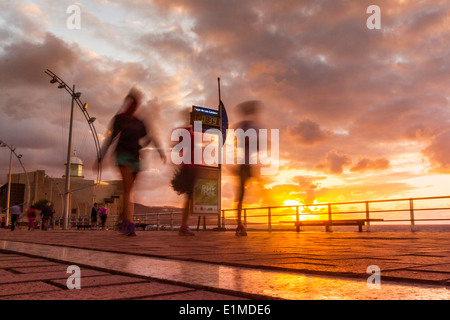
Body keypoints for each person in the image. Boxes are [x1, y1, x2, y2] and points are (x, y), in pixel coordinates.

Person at [96, 87, 166, 236]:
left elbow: (149, 137)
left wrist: (159, 150)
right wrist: (101, 156)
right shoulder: (119, 119)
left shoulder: (139, 122)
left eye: (135, 104)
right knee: (128, 189)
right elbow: (111, 137)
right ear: (127, 103)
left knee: (130, 190)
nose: (132, 107)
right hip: (122, 155)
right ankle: (128, 223)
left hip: (136, 157)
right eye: (130, 103)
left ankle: (123, 219)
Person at [233, 100, 263, 236]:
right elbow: (239, 143)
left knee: (261, 191)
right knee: (240, 196)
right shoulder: (242, 127)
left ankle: (240, 224)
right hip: (243, 166)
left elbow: (258, 146)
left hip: (249, 165)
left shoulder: (253, 126)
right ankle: (239, 225)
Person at [171, 124, 197, 236]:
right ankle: (183, 226)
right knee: (189, 196)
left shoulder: (189, 132)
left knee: (189, 197)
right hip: (189, 167)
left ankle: (184, 225)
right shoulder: (188, 131)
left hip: (191, 167)